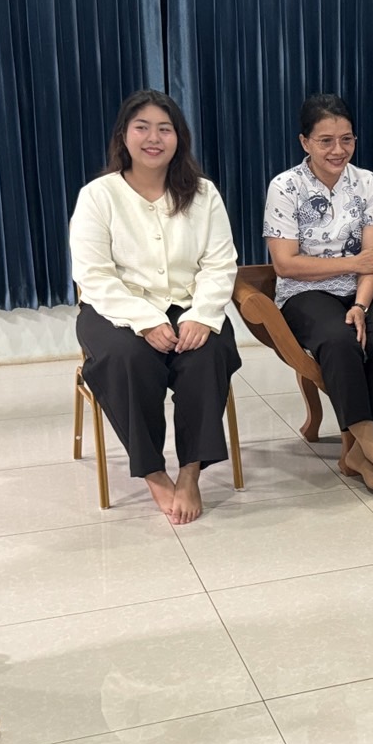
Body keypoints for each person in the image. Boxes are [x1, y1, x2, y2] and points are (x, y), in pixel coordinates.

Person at [70, 89, 241, 527]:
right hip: (114, 310)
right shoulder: (98, 196)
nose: (153, 138)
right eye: (142, 127)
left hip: (189, 305)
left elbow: (220, 263)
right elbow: (94, 275)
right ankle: (152, 471)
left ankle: (191, 471)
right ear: (123, 136)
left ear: (178, 137)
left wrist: (202, 315)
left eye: (164, 129)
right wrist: (145, 321)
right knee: (128, 358)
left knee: (208, 353)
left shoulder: (203, 194)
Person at [264, 93, 373, 497]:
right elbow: (286, 264)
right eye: (325, 141)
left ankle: (357, 454)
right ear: (305, 142)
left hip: (362, 289)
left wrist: (362, 304)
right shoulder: (285, 187)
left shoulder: (368, 183)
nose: (338, 150)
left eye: (346, 139)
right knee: (338, 339)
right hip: (304, 292)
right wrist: (353, 263)